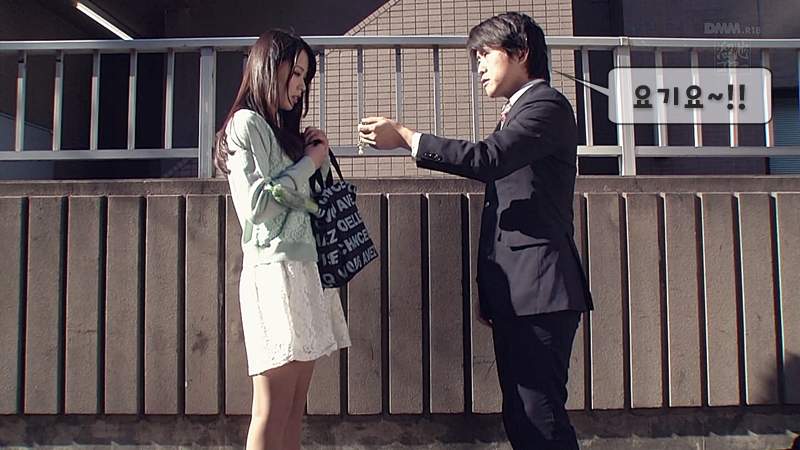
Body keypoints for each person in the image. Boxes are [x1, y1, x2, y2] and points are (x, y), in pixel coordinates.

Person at [358, 12, 593, 450]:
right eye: (476, 57)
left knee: (540, 417)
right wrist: (492, 290)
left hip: (541, 294)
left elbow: (487, 159)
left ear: (520, 53)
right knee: (522, 418)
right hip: (520, 294)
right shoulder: (518, 113)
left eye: (486, 54)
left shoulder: (546, 106)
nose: (479, 66)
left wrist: (408, 137)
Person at [215, 29, 351, 450]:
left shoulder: (280, 132)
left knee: (293, 410)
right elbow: (256, 206)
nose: (302, 85)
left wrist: (315, 156)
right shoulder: (246, 124)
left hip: (305, 272)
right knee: (271, 410)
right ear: (269, 68)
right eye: (296, 73)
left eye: (306, 76)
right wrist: (309, 162)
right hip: (273, 272)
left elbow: (308, 205)